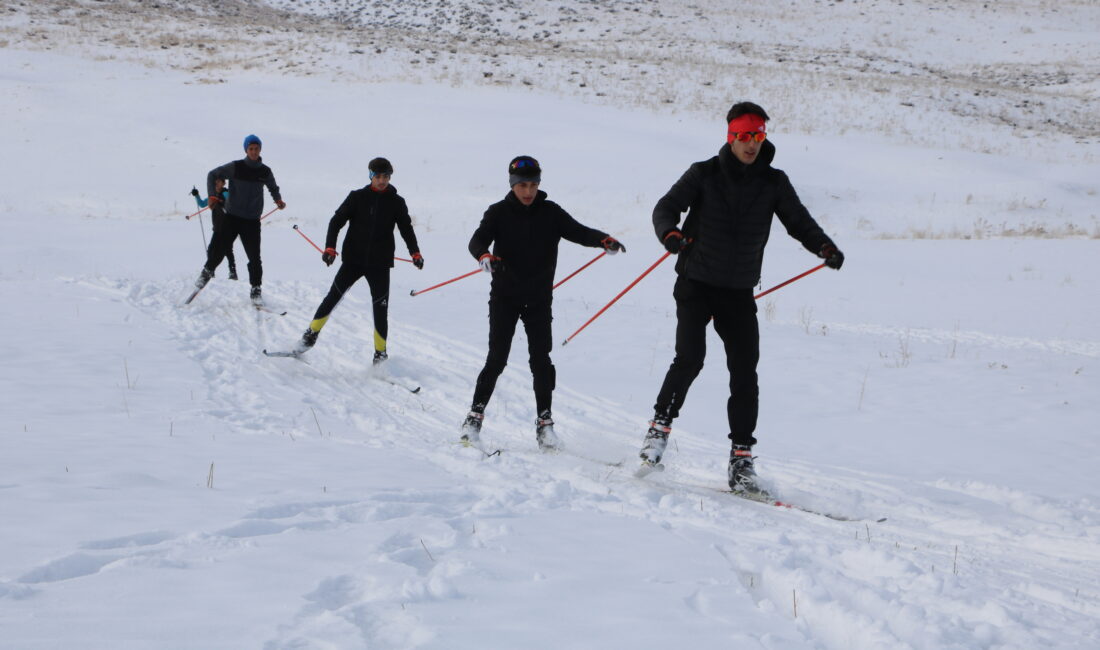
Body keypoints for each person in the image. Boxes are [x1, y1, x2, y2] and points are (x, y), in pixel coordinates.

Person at [638, 101, 845, 493]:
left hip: (737, 290)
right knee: (690, 357)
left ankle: (741, 461)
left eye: (758, 136)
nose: (752, 144)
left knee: (745, 371)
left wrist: (824, 247)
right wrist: (670, 233)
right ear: (730, 138)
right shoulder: (703, 174)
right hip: (696, 282)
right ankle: (657, 431)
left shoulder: (773, 182)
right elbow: (666, 207)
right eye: (744, 136)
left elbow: (798, 221)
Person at [460, 155, 626, 450]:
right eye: (523, 185)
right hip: (505, 298)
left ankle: (545, 425)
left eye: (533, 185)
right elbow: (477, 240)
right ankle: (473, 420)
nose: (528, 191)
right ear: (512, 185)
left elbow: (578, 231)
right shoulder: (498, 212)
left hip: (538, 300)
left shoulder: (550, 212)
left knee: (541, 361)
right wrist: (484, 255)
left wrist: (603, 239)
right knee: (496, 359)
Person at [293, 157, 423, 363]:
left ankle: (380, 354)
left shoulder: (397, 202)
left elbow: (406, 229)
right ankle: (309, 335)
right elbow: (336, 221)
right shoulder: (357, 197)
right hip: (353, 260)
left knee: (380, 309)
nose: (382, 181)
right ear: (371, 176)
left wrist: (415, 253)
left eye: (386, 177)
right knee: (332, 298)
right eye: (378, 176)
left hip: (380, 264)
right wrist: (330, 247)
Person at [193, 134, 285, 306]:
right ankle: (206, 273)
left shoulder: (265, 171)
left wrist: (278, 199)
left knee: (254, 257)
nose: (254, 152)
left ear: (260, 150)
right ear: (246, 150)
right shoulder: (236, 167)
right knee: (219, 249)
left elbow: (273, 186)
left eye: (256, 148)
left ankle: (256, 289)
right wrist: (212, 195)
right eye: (250, 148)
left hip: (251, 220)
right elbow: (212, 175)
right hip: (232, 217)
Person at [191, 178, 237, 280]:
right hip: (217, 227)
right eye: (215, 182)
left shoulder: (225, 193)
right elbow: (202, 204)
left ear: (224, 183)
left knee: (227, 249)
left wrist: (221, 203)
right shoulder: (212, 195)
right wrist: (196, 195)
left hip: (227, 226)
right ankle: (212, 270)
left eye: (219, 182)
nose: (216, 184)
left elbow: (231, 204)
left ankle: (232, 272)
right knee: (212, 249)